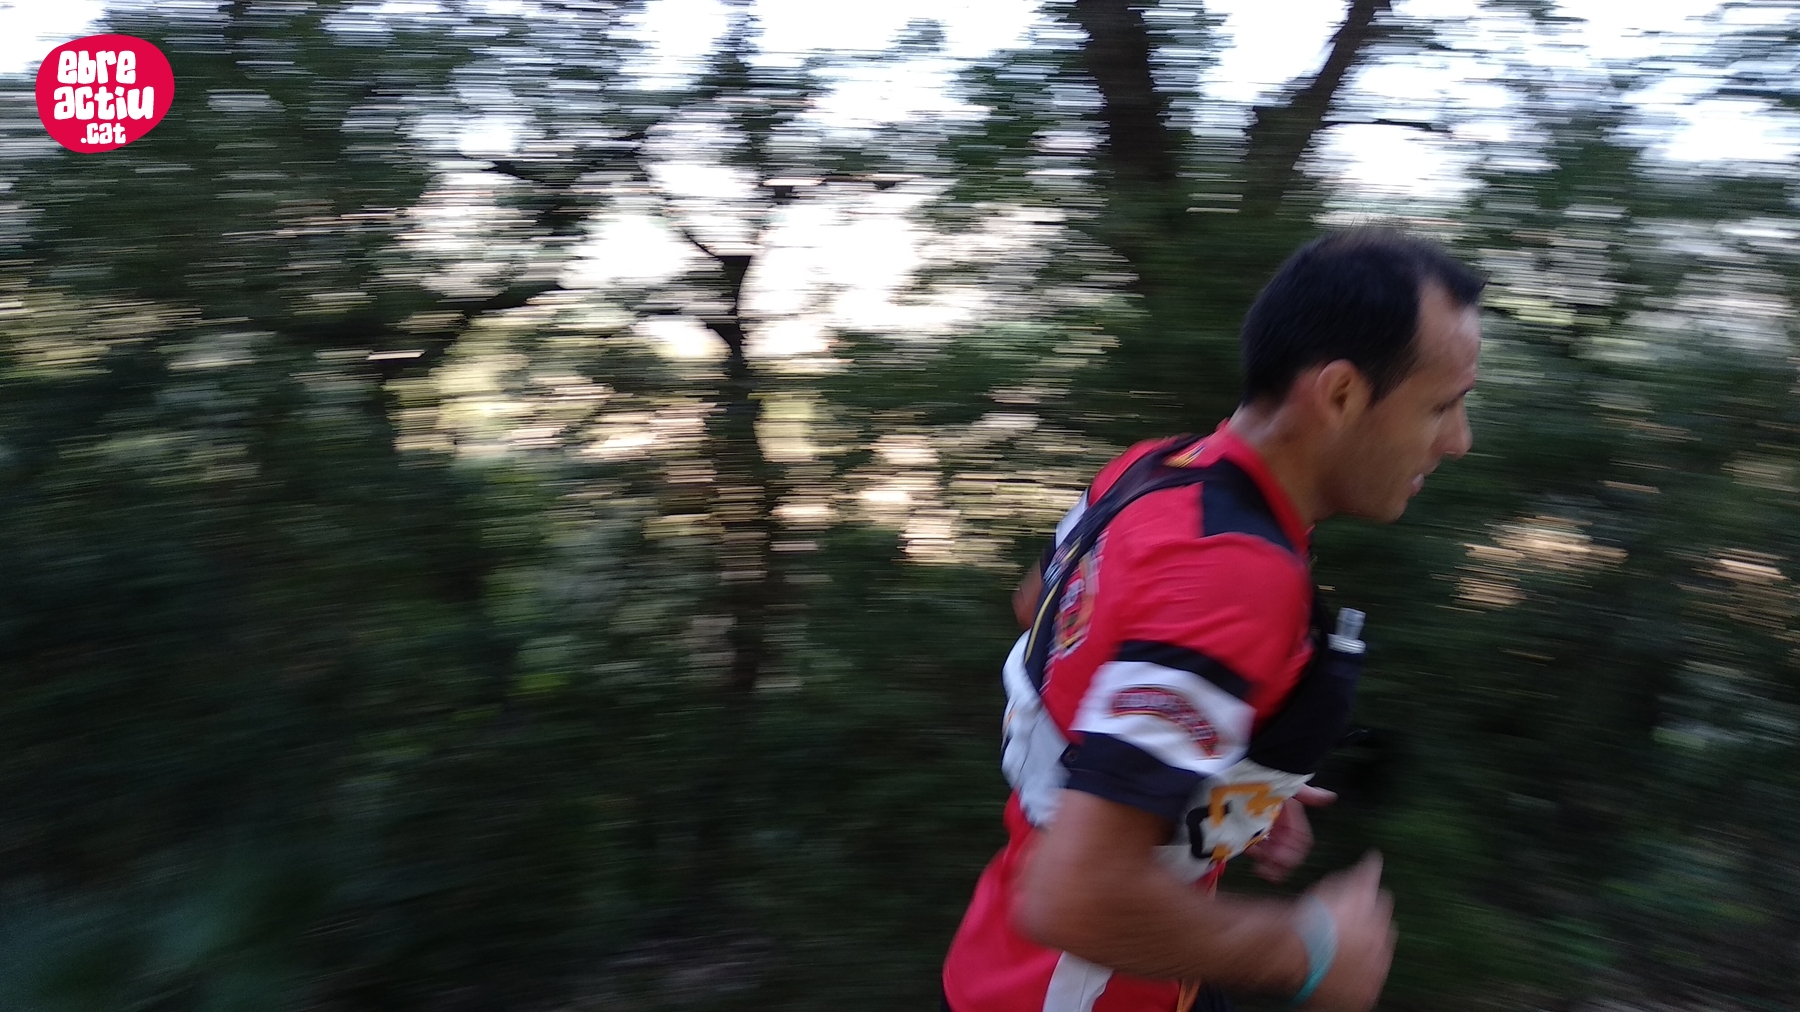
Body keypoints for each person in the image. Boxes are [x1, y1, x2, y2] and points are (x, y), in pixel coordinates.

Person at [941, 228, 1485, 1012]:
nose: (1459, 441)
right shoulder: (1235, 575)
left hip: (1016, 965)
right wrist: (1311, 952)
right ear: (1339, 395)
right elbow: (1073, 897)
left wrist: (1201, 771)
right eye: (1441, 406)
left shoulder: (1152, 470)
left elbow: (1043, 613)